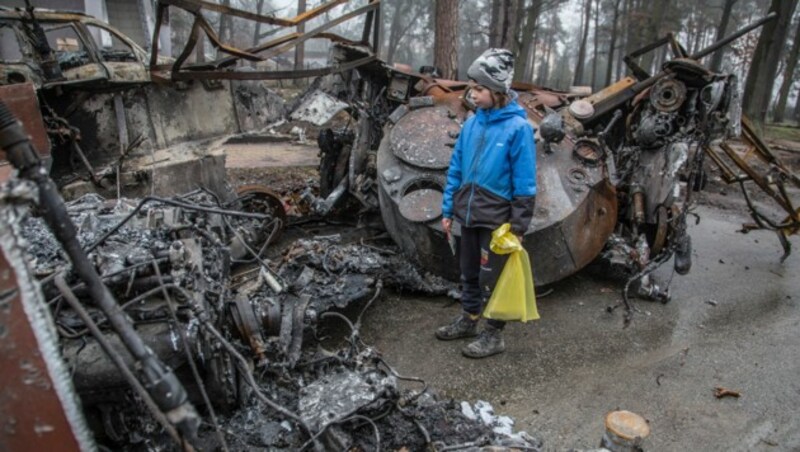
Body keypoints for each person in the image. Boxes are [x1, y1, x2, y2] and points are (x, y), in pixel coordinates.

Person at [437, 48, 537, 358]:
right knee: (468, 271)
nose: (473, 93)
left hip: (497, 219)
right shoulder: (472, 123)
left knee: (491, 278)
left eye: (479, 88)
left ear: (497, 91)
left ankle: (494, 335)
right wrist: (448, 210)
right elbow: (456, 167)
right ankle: (469, 319)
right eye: (472, 87)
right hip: (467, 212)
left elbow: (525, 182)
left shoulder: (518, 129)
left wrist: (519, 226)